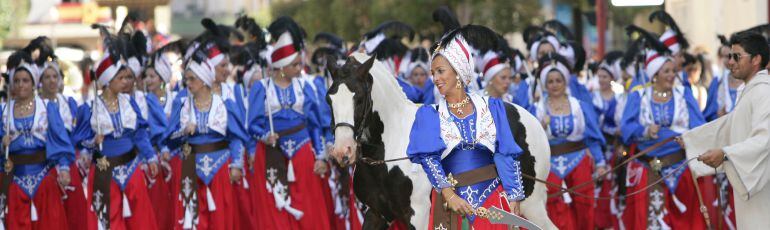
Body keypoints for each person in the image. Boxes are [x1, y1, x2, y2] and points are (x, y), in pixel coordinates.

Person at [407, 25, 525, 229]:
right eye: (433, 73)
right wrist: (449, 194)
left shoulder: (492, 107)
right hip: (451, 204)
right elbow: (429, 159)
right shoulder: (430, 115)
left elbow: (504, 153)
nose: (435, 78)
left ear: (458, 71)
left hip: (491, 200)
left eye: (441, 71)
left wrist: (513, 195)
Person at [247, 16, 332, 230]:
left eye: (299, 63)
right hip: (270, 153)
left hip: (303, 153)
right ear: (282, 66)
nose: (300, 67)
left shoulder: (305, 87)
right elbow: (252, 125)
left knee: (308, 206)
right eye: (295, 64)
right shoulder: (261, 88)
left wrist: (321, 156)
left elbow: (315, 125)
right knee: (273, 207)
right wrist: (265, 136)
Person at [680, 31, 770, 229]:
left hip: (763, 187)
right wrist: (692, 140)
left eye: (737, 56)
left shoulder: (765, 91)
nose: (730, 62)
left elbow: (765, 140)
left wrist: (726, 153)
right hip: (753, 187)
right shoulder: (752, 90)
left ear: (756, 59)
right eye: (730, 56)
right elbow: (730, 125)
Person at [72, 25, 159, 229]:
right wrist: (93, 141)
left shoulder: (130, 103)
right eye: (120, 78)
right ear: (107, 81)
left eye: (126, 78)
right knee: (108, 219)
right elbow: (79, 141)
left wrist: (150, 157)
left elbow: (140, 134)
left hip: (131, 167)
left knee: (139, 219)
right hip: (104, 171)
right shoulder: (90, 109)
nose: (125, 82)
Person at [620, 48, 707, 229]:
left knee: (684, 222)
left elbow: (699, 126)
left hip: (681, 168)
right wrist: (645, 130)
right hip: (649, 167)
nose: (672, 75)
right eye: (666, 71)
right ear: (654, 74)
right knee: (650, 220)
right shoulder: (639, 96)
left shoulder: (684, 93)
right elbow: (626, 129)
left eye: (673, 71)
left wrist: (689, 138)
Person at [530, 53, 606, 230]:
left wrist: (600, 162)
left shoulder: (579, 106)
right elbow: (529, 141)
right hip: (549, 164)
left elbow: (592, 137)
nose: (555, 84)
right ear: (544, 84)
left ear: (565, 82)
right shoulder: (537, 109)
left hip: (578, 160)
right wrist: (540, 126)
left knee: (584, 203)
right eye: (550, 81)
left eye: (558, 80)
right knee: (554, 205)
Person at [0, 50, 74, 229]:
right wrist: (2, 144)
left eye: (25, 80)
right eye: (17, 81)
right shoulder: (3, 110)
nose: (21, 85)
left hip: (44, 178)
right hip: (15, 180)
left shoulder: (47, 107)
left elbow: (60, 139)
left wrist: (64, 168)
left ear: (34, 83)